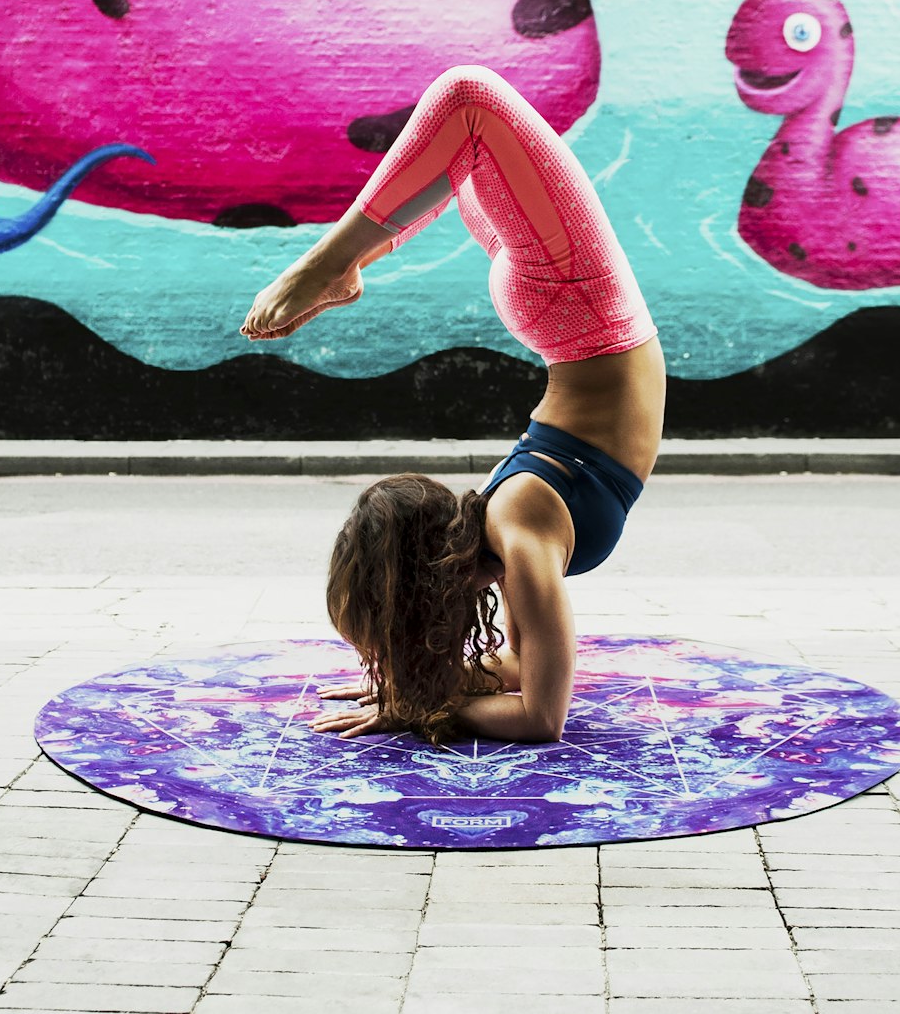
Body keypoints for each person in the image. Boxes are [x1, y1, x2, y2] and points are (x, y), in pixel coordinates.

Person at [241, 66, 666, 745]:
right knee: (462, 148)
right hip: (577, 318)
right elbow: (513, 669)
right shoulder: (513, 533)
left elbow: (539, 715)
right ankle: (356, 259)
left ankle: (335, 260)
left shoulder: (518, 534)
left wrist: (417, 706)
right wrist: (424, 685)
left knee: (467, 102)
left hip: (582, 311)